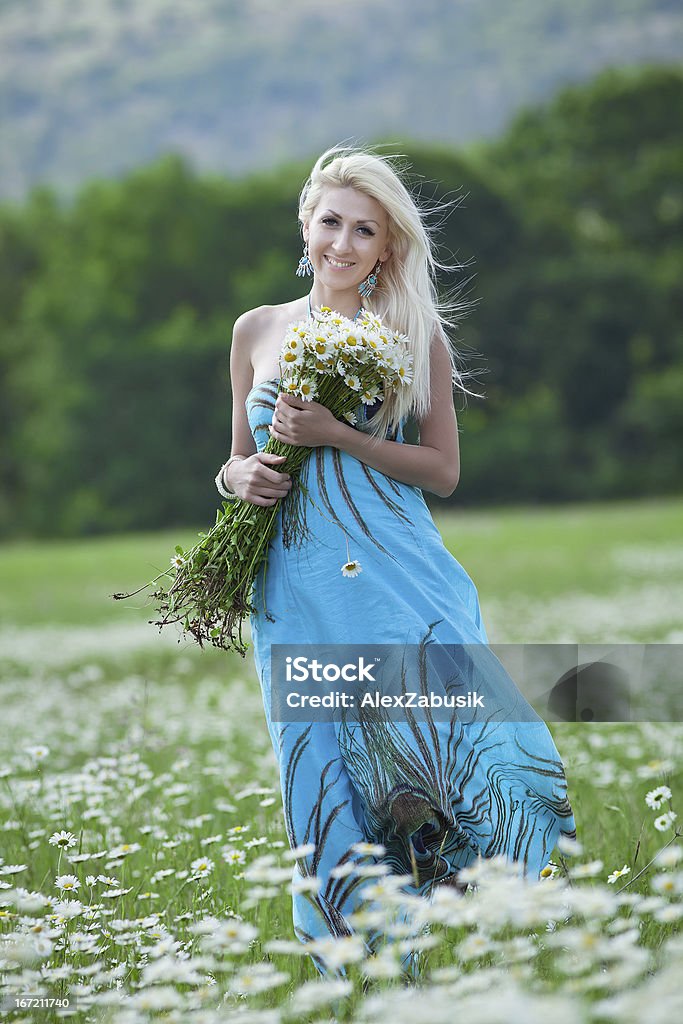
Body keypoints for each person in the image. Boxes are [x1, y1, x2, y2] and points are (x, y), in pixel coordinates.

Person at [221, 145, 577, 976]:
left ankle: (491, 897)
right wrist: (237, 475)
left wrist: (339, 436)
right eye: (330, 223)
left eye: (364, 230)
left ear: (388, 247)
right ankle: (367, 969)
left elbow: (443, 472)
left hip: (393, 578)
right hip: (294, 587)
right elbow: (236, 464)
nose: (342, 243)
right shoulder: (254, 330)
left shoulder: (412, 334)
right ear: (305, 225)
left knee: (464, 737)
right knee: (322, 761)